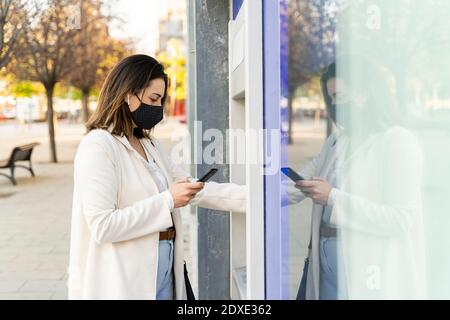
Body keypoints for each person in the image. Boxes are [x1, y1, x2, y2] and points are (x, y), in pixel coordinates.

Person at [69, 54, 246, 300]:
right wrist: (168, 200)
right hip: (127, 278)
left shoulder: (149, 144)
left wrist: (260, 196)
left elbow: (194, 188)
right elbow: (103, 226)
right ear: (126, 94)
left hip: (165, 269)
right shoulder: (98, 146)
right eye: (153, 98)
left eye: (161, 100)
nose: (158, 108)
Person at [288, 57, 426, 300]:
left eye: (339, 95)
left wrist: (333, 197)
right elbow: (290, 188)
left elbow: (402, 219)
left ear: (365, 93)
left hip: (369, 274)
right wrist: (206, 190)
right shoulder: (335, 143)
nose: (334, 104)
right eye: (330, 98)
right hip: (326, 273)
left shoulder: (397, 141)